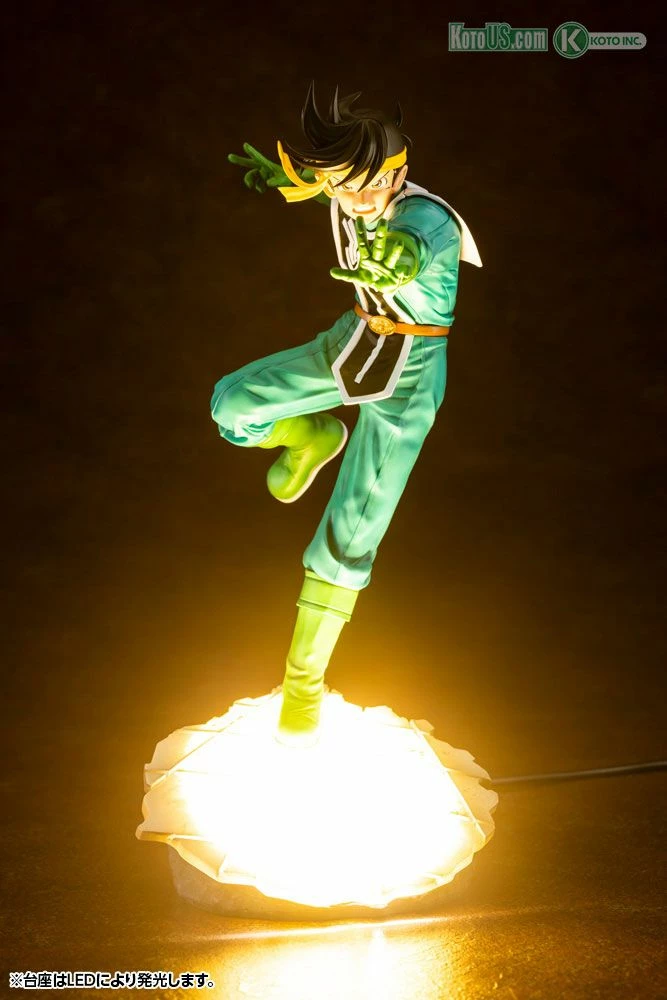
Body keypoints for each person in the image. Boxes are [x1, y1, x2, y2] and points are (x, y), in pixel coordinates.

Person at [212, 84, 482, 745]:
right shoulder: (341, 189)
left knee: (349, 537)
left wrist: (398, 259)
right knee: (233, 404)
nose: (356, 200)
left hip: (410, 374)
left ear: (400, 170)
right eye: (341, 185)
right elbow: (329, 190)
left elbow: (413, 244)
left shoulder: (428, 221)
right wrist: (293, 180)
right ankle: (311, 437)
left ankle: (302, 686)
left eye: (370, 185)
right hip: (353, 340)